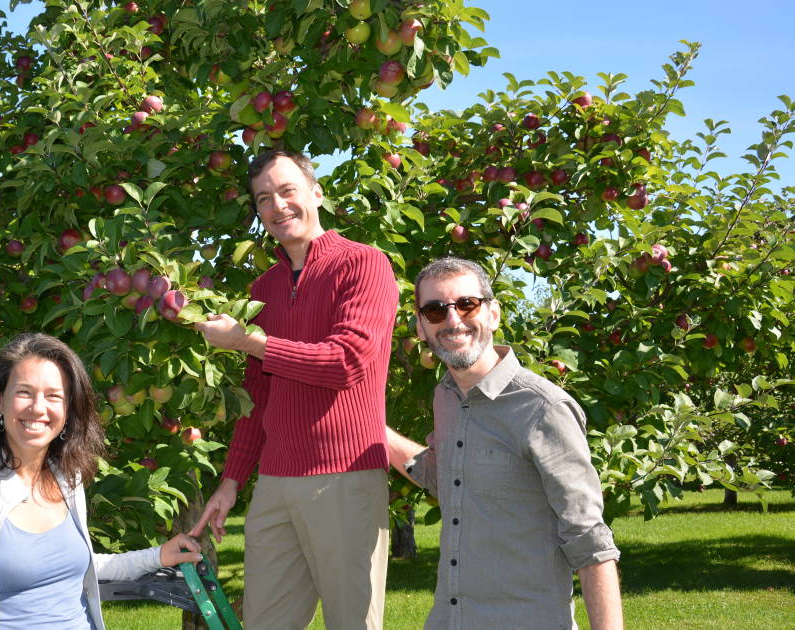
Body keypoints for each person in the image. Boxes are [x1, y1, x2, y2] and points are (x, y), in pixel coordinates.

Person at [189, 150, 399, 629]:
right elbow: (255, 398)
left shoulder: (364, 265)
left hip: (344, 476)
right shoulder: (262, 288)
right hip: (276, 482)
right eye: (264, 199)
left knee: (352, 623)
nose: (278, 206)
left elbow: (346, 363)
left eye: (287, 191)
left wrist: (247, 340)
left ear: (316, 193)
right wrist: (231, 481)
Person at [386, 256, 624, 630]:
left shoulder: (543, 408)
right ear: (420, 327)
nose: (452, 320)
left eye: (467, 304)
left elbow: (589, 540)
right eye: (434, 310)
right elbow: (444, 477)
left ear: (493, 314)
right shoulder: (445, 396)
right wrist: (375, 433)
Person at [0, 332, 202, 630]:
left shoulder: (67, 478)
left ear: (67, 410)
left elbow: (76, 567)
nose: (38, 408)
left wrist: (156, 555)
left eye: (54, 395)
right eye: (24, 392)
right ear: (1, 402)